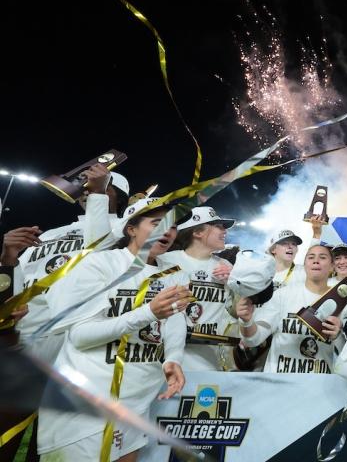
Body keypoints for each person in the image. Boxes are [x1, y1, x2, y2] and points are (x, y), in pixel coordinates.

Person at [38, 197, 191, 461]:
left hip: (137, 399)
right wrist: (148, 312)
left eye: (173, 225)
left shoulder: (175, 273)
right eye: (157, 223)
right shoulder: (99, 265)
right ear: (131, 229)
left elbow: (175, 320)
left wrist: (173, 358)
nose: (167, 231)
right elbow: (80, 336)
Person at [12, 165, 128, 364]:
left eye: (102, 187)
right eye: (86, 187)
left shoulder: (123, 230)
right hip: (24, 326)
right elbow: (20, 273)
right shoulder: (51, 234)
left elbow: (96, 251)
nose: (88, 191)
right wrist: (9, 257)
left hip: (68, 330)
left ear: (120, 198)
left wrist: (97, 194)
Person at [235, 245, 343, 374]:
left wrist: (338, 336)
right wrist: (246, 321)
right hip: (279, 380)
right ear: (304, 265)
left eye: (323, 257)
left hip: (318, 382)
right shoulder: (282, 295)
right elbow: (253, 339)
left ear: (332, 266)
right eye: (311, 257)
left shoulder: (341, 301)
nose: (316, 261)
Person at [159, 206, 236, 371]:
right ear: (197, 232)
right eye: (218, 226)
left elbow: (235, 312)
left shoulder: (226, 266)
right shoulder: (166, 261)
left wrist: (236, 282)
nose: (224, 231)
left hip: (208, 357)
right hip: (166, 355)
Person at [266, 216, 323, 290]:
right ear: (273, 249)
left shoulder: (303, 272)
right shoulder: (262, 273)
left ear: (297, 250)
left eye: (293, 244)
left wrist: (316, 233)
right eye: (284, 243)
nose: (290, 247)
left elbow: (313, 254)